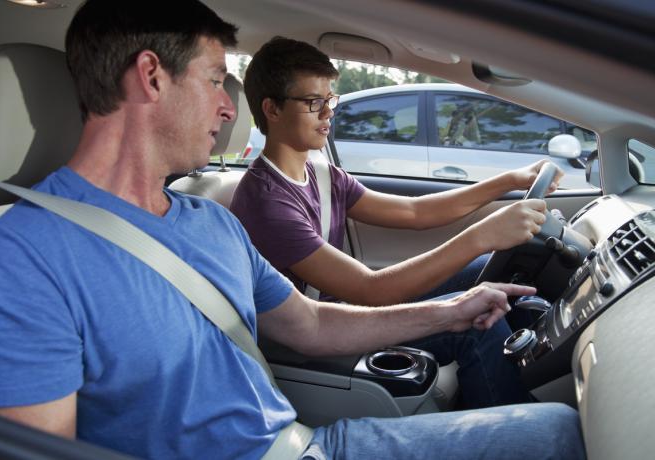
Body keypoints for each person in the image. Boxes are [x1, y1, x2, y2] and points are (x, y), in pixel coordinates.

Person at [0, 1, 585, 459]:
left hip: (304, 443)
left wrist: (451, 312)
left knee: (558, 430)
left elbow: (312, 324)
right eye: (215, 80)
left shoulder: (210, 220)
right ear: (151, 77)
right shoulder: (20, 258)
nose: (229, 106)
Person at [230, 37, 558, 408]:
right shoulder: (266, 203)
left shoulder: (321, 174)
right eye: (313, 103)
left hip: (345, 312)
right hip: (317, 337)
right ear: (272, 110)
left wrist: (509, 180)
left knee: (486, 267)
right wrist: (482, 235)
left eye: (329, 99)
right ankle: (515, 429)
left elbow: (414, 212)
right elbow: (371, 290)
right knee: (478, 323)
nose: (328, 113)